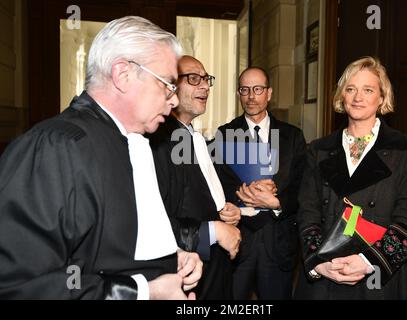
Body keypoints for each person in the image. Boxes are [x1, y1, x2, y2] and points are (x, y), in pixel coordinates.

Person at [0, 16, 202, 300]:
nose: (175, 99)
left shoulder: (135, 139)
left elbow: (114, 247)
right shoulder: (56, 148)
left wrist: (173, 256)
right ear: (123, 74)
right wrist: (145, 292)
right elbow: (22, 286)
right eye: (167, 84)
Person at [294, 56, 407, 299]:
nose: (358, 97)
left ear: (382, 97)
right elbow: (307, 213)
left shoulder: (406, 149)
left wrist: (367, 261)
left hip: (377, 278)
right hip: (326, 275)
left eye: (368, 90)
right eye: (350, 89)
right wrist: (317, 263)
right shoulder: (318, 149)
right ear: (341, 96)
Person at [150, 55, 241, 299]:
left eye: (206, 79)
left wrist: (224, 208)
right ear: (171, 85)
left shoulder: (195, 137)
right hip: (184, 274)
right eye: (193, 78)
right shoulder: (157, 142)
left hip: (215, 270)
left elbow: (198, 195)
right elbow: (150, 221)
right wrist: (213, 230)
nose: (204, 86)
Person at [216, 67, 307, 299]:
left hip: (279, 241)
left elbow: (302, 187)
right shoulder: (224, 134)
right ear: (239, 94)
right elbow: (219, 183)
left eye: (257, 89)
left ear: (269, 93)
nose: (251, 96)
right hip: (239, 239)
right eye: (245, 90)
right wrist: (254, 193)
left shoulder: (293, 136)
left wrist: (276, 202)